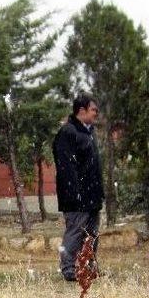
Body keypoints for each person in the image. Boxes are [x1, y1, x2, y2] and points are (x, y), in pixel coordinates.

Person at [52, 93, 104, 282]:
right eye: (93, 110)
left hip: (92, 196)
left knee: (91, 234)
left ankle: (88, 268)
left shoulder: (88, 133)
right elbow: (66, 168)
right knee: (75, 233)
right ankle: (68, 270)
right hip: (76, 197)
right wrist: (75, 194)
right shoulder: (68, 132)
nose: (96, 113)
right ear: (81, 110)